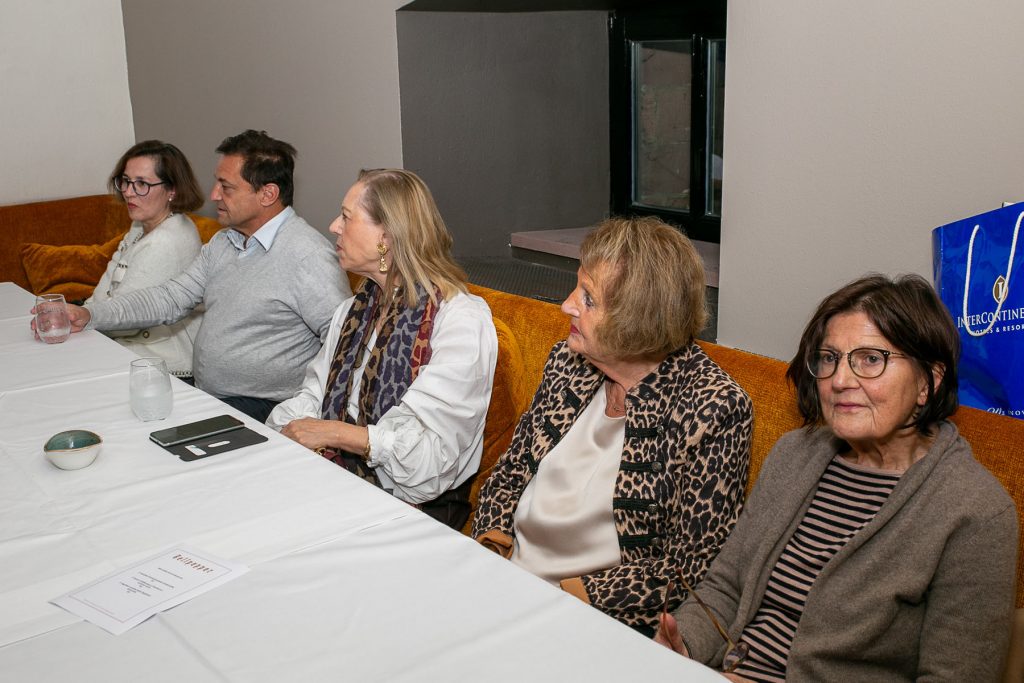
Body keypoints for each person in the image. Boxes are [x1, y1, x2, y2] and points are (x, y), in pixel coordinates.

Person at [656, 274, 1018, 682]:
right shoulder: (794, 454)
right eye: (830, 358)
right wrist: (681, 646)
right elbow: (725, 588)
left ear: (927, 382)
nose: (840, 380)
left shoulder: (976, 515)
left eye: (870, 359)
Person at [472, 216, 753, 635]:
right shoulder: (568, 362)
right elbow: (511, 470)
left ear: (638, 320)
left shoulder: (714, 408)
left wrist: (567, 600)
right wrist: (489, 548)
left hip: (589, 617)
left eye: (588, 298)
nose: (567, 304)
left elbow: (688, 568)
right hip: (505, 582)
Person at [52, 130, 348, 422]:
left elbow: (346, 341)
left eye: (226, 186)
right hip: (211, 394)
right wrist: (89, 315)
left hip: (266, 407)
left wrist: (308, 416)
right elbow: (169, 299)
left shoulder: (307, 256)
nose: (214, 194)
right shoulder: (225, 242)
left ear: (267, 194)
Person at [267, 169, 497, 530]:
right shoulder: (354, 310)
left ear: (386, 238)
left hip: (416, 513)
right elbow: (313, 395)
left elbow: (428, 464)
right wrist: (282, 429)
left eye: (346, 217)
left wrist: (333, 433)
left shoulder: (461, 319)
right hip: (338, 482)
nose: (333, 226)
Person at [86, 140, 205, 375]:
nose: (129, 192)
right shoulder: (141, 225)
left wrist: (84, 319)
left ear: (173, 190)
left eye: (142, 184)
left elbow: (125, 321)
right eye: (126, 181)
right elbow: (105, 289)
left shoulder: (167, 241)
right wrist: (86, 312)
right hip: (126, 350)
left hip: (162, 366)